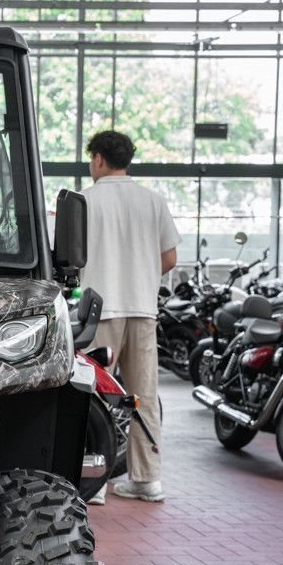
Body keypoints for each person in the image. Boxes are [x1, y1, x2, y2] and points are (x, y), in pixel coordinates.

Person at [79, 131, 178, 504]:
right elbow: (169, 259)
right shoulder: (153, 201)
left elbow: (67, 258)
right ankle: (147, 479)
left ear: (99, 159)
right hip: (142, 309)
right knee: (142, 395)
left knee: (93, 395)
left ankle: (93, 483)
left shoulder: (83, 201)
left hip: (100, 311)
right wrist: (141, 275)